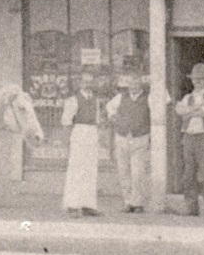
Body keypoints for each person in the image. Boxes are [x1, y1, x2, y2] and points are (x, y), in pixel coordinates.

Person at [174, 63, 204, 217]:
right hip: (188, 137)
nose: (197, 81)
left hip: (203, 136)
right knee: (188, 174)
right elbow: (179, 111)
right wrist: (196, 109)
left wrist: (190, 111)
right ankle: (191, 206)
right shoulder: (188, 97)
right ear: (192, 80)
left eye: (200, 79)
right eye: (195, 79)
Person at [106, 72, 150, 213]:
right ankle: (128, 202)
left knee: (138, 172)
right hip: (122, 137)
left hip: (140, 138)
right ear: (128, 85)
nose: (134, 86)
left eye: (137, 84)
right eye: (131, 84)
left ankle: (138, 203)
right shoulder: (121, 97)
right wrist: (113, 118)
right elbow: (109, 107)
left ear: (141, 85)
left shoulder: (148, 98)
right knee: (124, 172)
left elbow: (164, 101)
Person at [60, 72, 102, 216]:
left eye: (90, 82)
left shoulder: (96, 100)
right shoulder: (73, 100)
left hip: (92, 132)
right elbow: (66, 122)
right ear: (80, 83)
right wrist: (67, 141)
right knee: (77, 168)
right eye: (85, 82)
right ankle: (73, 204)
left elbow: (97, 119)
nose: (88, 85)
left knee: (90, 168)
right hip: (79, 131)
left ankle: (88, 204)